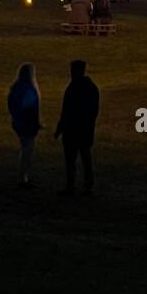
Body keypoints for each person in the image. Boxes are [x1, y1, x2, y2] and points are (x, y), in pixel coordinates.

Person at [54, 60, 99, 195]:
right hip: (85, 129)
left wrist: (59, 128)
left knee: (72, 159)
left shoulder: (73, 88)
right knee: (85, 158)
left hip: (73, 130)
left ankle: (71, 185)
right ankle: (87, 184)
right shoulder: (91, 87)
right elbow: (94, 111)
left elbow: (66, 111)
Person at [7, 63, 41, 188]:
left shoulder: (16, 87)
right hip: (27, 124)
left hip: (18, 123)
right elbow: (31, 109)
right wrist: (35, 123)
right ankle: (22, 177)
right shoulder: (29, 89)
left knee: (24, 148)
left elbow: (11, 104)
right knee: (27, 151)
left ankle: (23, 176)